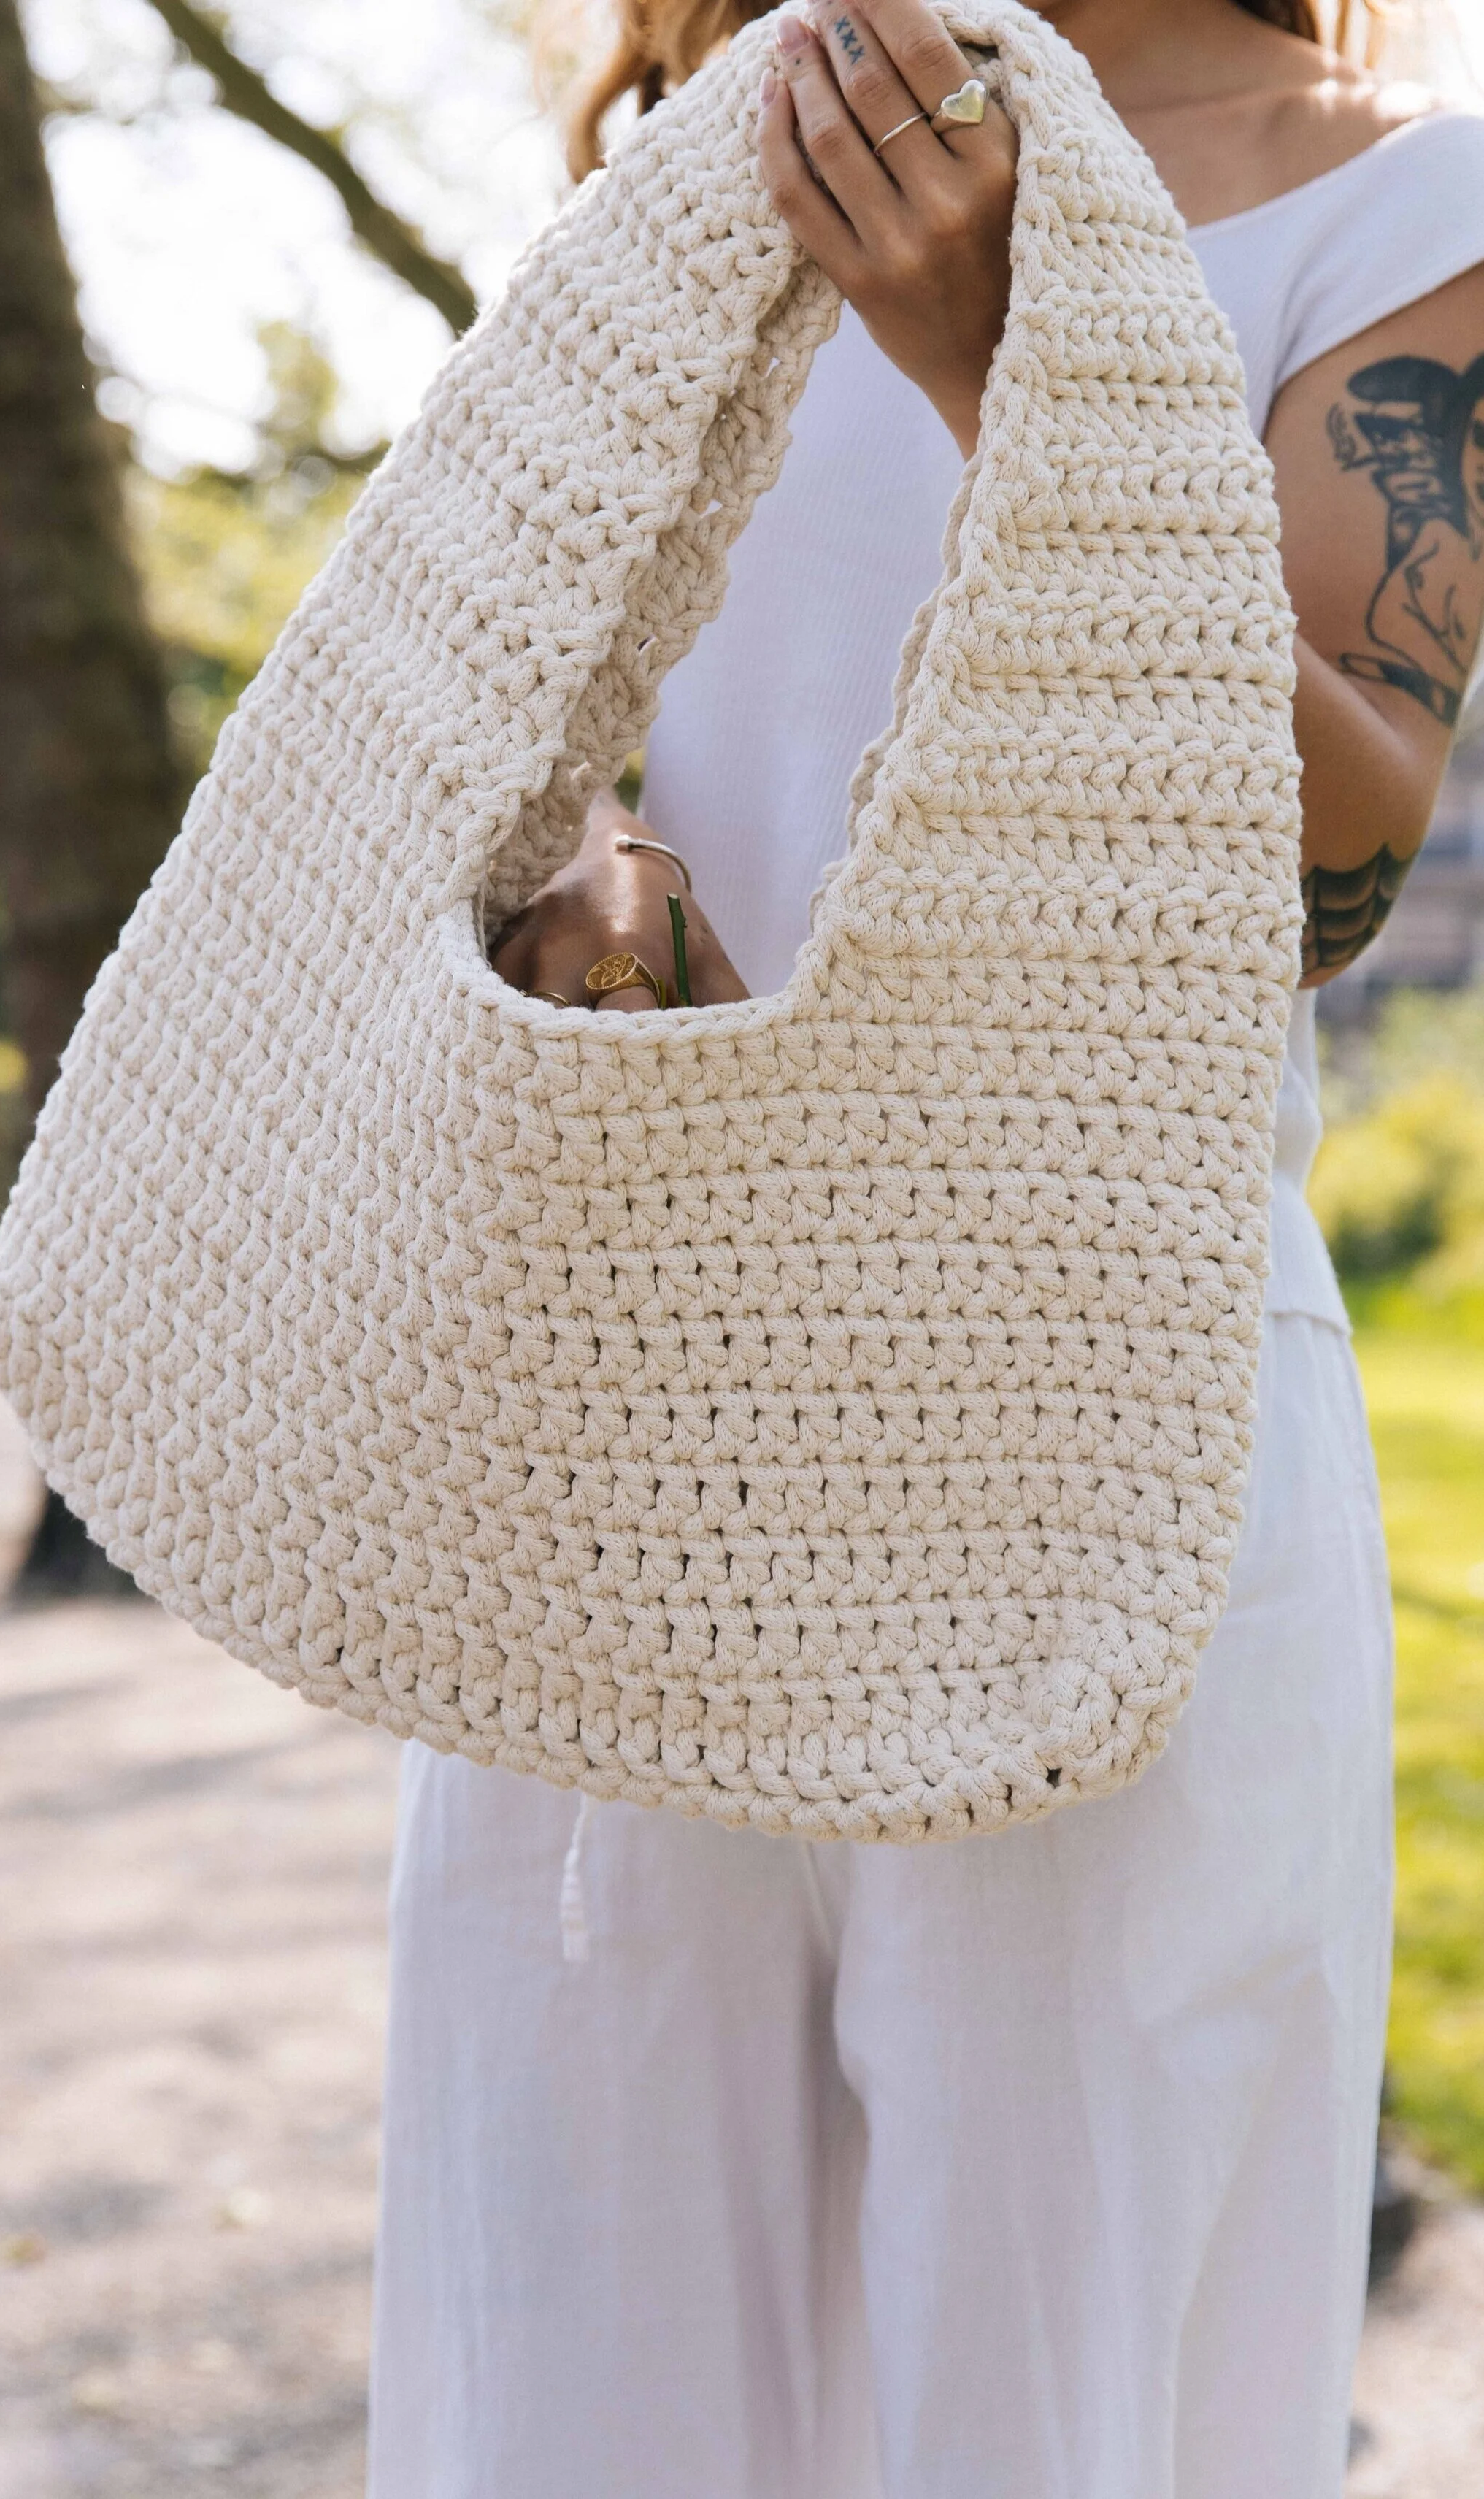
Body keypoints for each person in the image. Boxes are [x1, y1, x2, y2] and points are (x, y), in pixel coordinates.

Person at [368, 5, 1484, 2492]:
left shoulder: (1413, 201)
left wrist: (1009, 360)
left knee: (1072, 2403)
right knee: (571, 2386)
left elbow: (1314, 878)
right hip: (623, 1423)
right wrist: (574, 888)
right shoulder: (699, 160)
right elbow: (519, 735)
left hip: (1102, 1438)